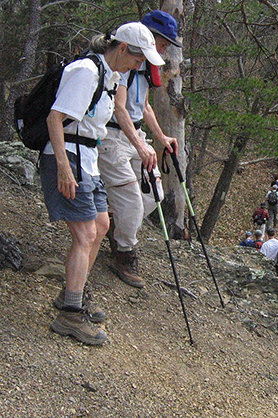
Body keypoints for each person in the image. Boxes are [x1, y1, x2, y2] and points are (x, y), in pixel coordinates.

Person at [43, 22, 164, 345]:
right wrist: (62, 167)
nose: (141, 65)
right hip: (70, 156)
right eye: (139, 58)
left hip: (87, 158)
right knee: (85, 234)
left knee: (100, 225)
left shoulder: (110, 76)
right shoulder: (86, 71)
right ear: (122, 48)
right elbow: (55, 118)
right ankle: (70, 313)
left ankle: (75, 293)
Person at [98, 10, 182, 289]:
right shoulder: (126, 63)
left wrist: (161, 138)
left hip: (134, 133)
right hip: (112, 136)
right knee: (132, 201)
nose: (165, 47)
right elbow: (119, 108)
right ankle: (124, 253)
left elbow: (143, 107)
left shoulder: (145, 67)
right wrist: (140, 146)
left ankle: (116, 225)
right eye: (163, 41)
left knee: (153, 194)